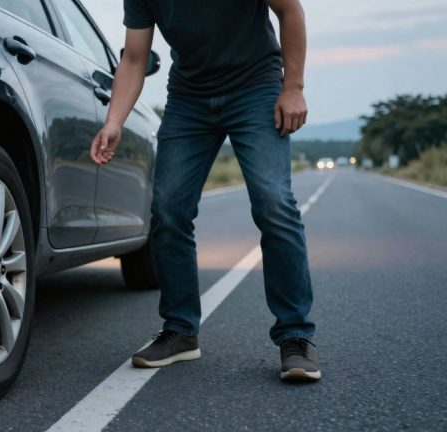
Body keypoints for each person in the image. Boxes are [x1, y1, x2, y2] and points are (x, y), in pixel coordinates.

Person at [90, 0, 320, 381]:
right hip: (189, 98)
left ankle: (295, 335)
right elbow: (134, 58)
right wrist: (114, 121)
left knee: (273, 201)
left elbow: (290, 10)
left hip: (256, 89)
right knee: (168, 207)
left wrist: (293, 87)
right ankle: (180, 331)